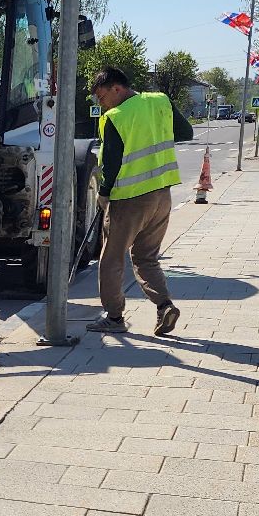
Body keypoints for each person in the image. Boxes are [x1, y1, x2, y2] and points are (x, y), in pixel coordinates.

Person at [88, 65, 193, 336]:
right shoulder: (161, 101)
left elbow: (110, 162)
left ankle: (114, 318)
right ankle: (164, 306)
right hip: (161, 195)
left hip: (129, 200)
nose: (101, 104)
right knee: (146, 257)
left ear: (117, 89)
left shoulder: (116, 117)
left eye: (101, 97)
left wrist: (103, 192)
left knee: (111, 259)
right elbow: (186, 133)